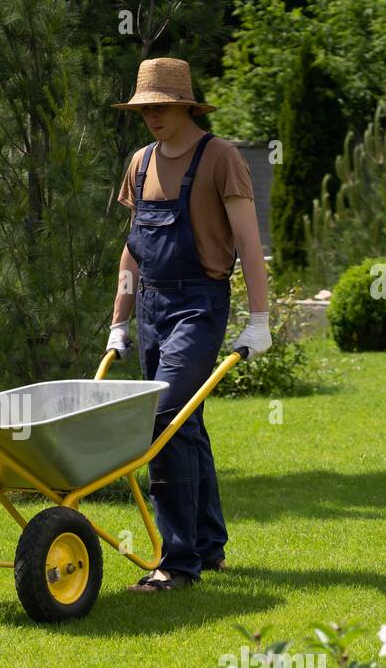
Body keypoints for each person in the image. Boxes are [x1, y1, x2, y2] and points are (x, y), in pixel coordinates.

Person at [106, 57, 272, 592]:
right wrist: (120, 322)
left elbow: (248, 244)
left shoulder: (221, 159)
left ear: (185, 105)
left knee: (163, 420)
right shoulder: (140, 163)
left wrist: (260, 319)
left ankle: (175, 563)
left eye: (160, 105)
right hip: (152, 306)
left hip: (200, 305)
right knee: (187, 424)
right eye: (144, 107)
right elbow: (132, 252)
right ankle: (207, 545)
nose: (151, 115)